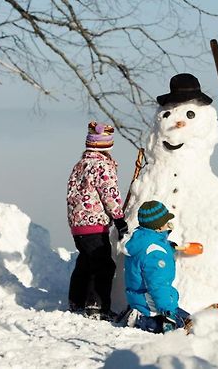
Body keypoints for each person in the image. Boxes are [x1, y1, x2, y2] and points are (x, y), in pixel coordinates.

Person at [67, 121, 128, 320]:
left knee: (85, 262)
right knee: (103, 265)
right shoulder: (102, 166)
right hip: (95, 224)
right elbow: (109, 194)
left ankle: (76, 300)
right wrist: (119, 218)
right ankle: (96, 305)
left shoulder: (79, 165)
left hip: (78, 226)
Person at [122, 200, 191, 333]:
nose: (168, 226)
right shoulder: (156, 253)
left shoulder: (141, 240)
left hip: (138, 297)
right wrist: (167, 309)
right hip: (151, 302)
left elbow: (149, 249)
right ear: (159, 227)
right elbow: (158, 284)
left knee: (188, 319)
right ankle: (140, 319)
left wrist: (168, 247)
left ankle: (137, 313)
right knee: (177, 326)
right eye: (167, 223)